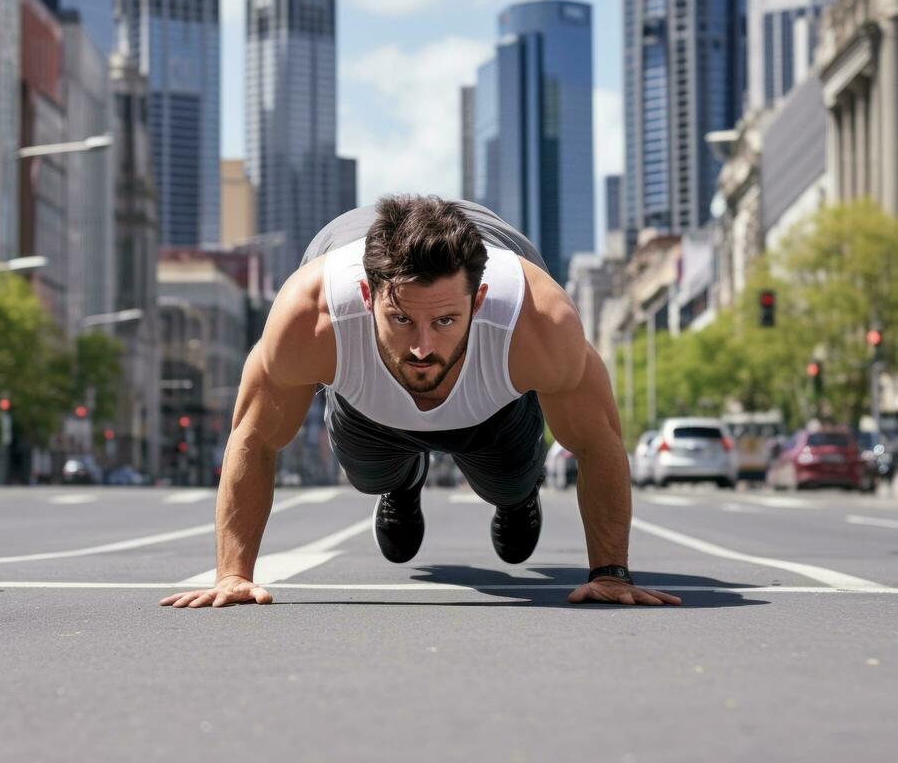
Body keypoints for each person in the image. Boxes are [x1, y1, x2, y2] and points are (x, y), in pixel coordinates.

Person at [161, 196, 682, 609]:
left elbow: (597, 441)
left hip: (493, 408)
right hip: (371, 410)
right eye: (402, 319)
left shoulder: (537, 323)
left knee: (510, 480)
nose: (422, 347)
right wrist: (233, 574)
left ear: (478, 301)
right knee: (370, 474)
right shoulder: (312, 316)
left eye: (445, 321)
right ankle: (401, 486)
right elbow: (253, 436)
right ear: (367, 297)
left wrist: (610, 573)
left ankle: (516, 496)